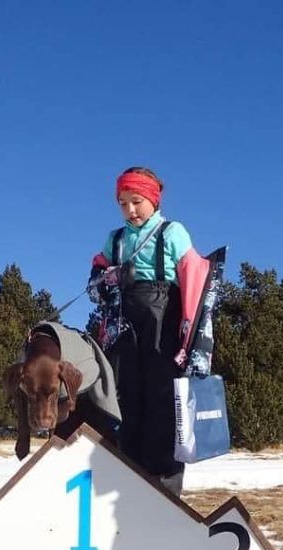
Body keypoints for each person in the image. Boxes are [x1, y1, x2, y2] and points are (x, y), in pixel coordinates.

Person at [88, 167, 207, 496]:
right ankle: (130, 476)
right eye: (123, 203)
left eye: (136, 202)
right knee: (128, 397)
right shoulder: (115, 240)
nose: (130, 210)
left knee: (162, 399)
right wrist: (104, 278)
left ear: (153, 199)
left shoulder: (172, 232)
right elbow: (97, 280)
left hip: (163, 318)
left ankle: (165, 484)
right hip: (127, 324)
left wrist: (191, 332)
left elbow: (194, 276)